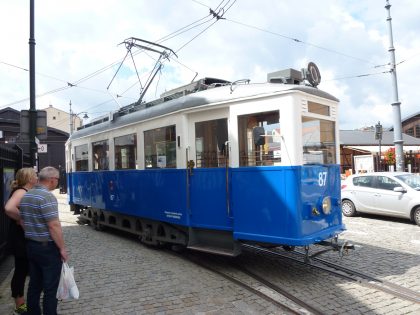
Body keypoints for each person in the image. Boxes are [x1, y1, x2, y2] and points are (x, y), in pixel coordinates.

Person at [19, 167, 68, 315]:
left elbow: (22, 220)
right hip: (47, 248)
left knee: (34, 285)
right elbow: (53, 225)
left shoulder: (27, 195)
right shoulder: (46, 197)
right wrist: (62, 249)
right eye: (58, 179)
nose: (58, 182)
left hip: (31, 246)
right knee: (50, 288)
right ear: (52, 180)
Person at [4, 168, 38, 314]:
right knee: (21, 271)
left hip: (21, 237)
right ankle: (20, 306)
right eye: (34, 175)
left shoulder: (23, 191)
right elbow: (9, 208)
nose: (36, 177)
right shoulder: (21, 192)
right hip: (20, 239)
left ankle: (23, 303)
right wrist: (23, 218)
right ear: (29, 178)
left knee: (23, 270)